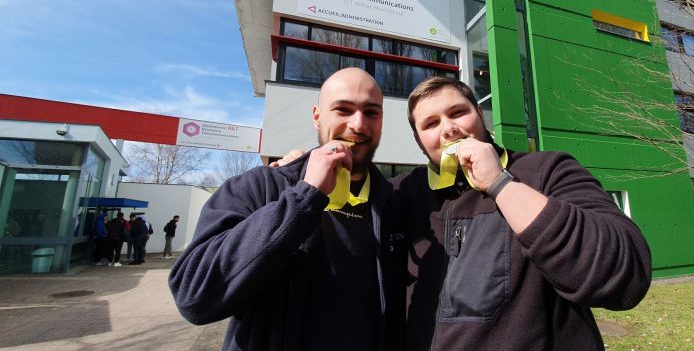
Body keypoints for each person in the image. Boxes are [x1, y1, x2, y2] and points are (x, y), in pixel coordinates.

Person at [393, 77, 652, 350]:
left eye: (458, 113)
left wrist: (500, 184)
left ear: (480, 114)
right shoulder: (403, 193)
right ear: (419, 140)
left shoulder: (547, 170)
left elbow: (626, 275)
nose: (449, 129)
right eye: (431, 124)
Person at [169, 67, 406, 350]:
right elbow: (193, 295)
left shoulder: (393, 204)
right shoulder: (260, 187)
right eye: (343, 109)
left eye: (371, 112)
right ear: (317, 116)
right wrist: (305, 198)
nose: (358, 124)